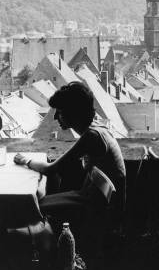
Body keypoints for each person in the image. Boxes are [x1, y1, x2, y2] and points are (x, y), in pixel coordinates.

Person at [14, 81, 126, 222]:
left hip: (97, 208)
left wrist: (25, 160)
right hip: (95, 199)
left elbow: (51, 169)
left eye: (59, 112)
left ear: (73, 113)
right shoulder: (98, 129)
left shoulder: (92, 136)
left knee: (32, 205)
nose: (55, 117)